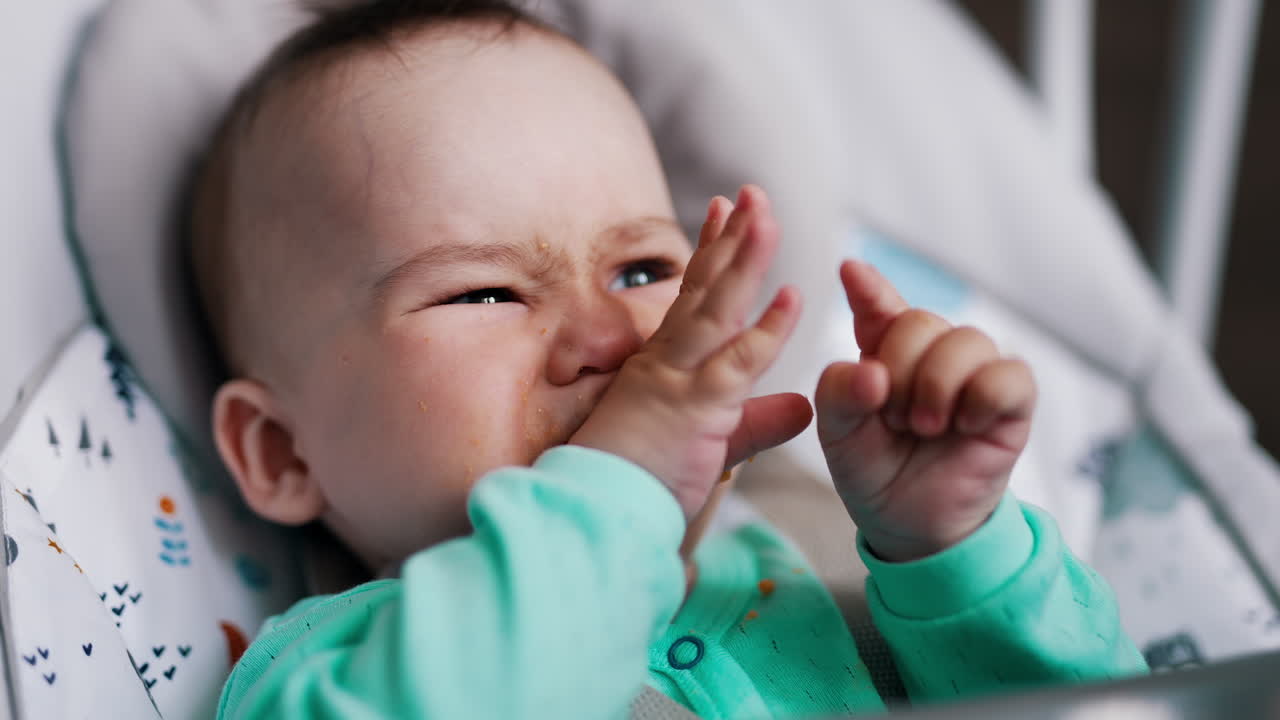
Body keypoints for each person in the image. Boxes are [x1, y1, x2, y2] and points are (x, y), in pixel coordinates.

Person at [185, 1, 1147, 717]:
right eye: (486, 292)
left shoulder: (834, 547)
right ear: (282, 453)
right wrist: (615, 485)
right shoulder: (333, 673)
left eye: (643, 268)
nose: (607, 338)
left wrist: (952, 553)